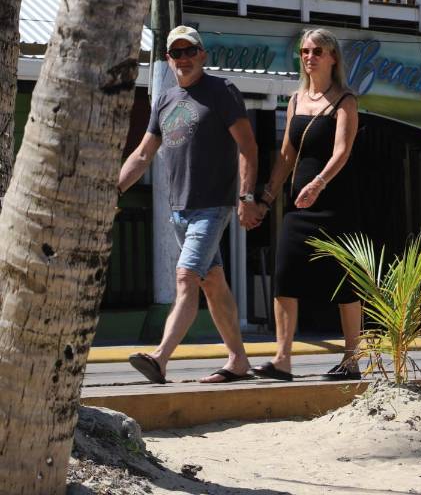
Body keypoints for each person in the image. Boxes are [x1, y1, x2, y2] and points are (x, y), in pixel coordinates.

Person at [118, 25, 260, 385]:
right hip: (179, 210)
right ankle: (239, 361)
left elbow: (248, 147)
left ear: (202, 55)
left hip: (213, 206)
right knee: (213, 282)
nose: (183, 59)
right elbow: (143, 154)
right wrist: (114, 191)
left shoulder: (221, 91)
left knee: (186, 278)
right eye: (176, 53)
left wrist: (245, 197)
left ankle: (160, 358)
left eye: (189, 51)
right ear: (168, 59)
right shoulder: (164, 99)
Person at [252, 29, 362, 381]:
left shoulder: (345, 100)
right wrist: (268, 194)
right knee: (284, 274)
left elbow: (342, 152)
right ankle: (282, 359)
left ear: (332, 57)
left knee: (343, 281)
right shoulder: (297, 100)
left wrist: (318, 183)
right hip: (299, 207)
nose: (309, 57)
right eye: (304, 51)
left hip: (334, 203)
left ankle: (351, 360)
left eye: (317, 51)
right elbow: (287, 154)